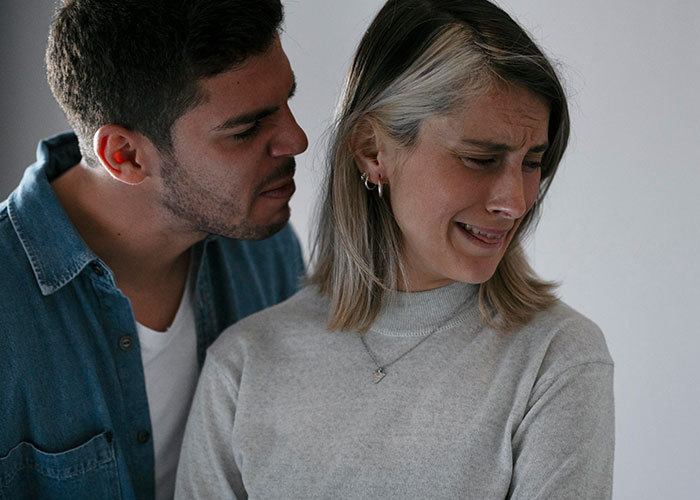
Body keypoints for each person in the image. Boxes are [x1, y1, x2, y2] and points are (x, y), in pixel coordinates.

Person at [175, 0, 614, 498]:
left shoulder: (555, 357)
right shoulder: (244, 364)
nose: (514, 201)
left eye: (532, 162)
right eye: (480, 158)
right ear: (372, 151)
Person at [0, 0, 308, 498]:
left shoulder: (264, 251)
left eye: (287, 102)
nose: (296, 140)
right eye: (246, 129)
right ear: (124, 156)